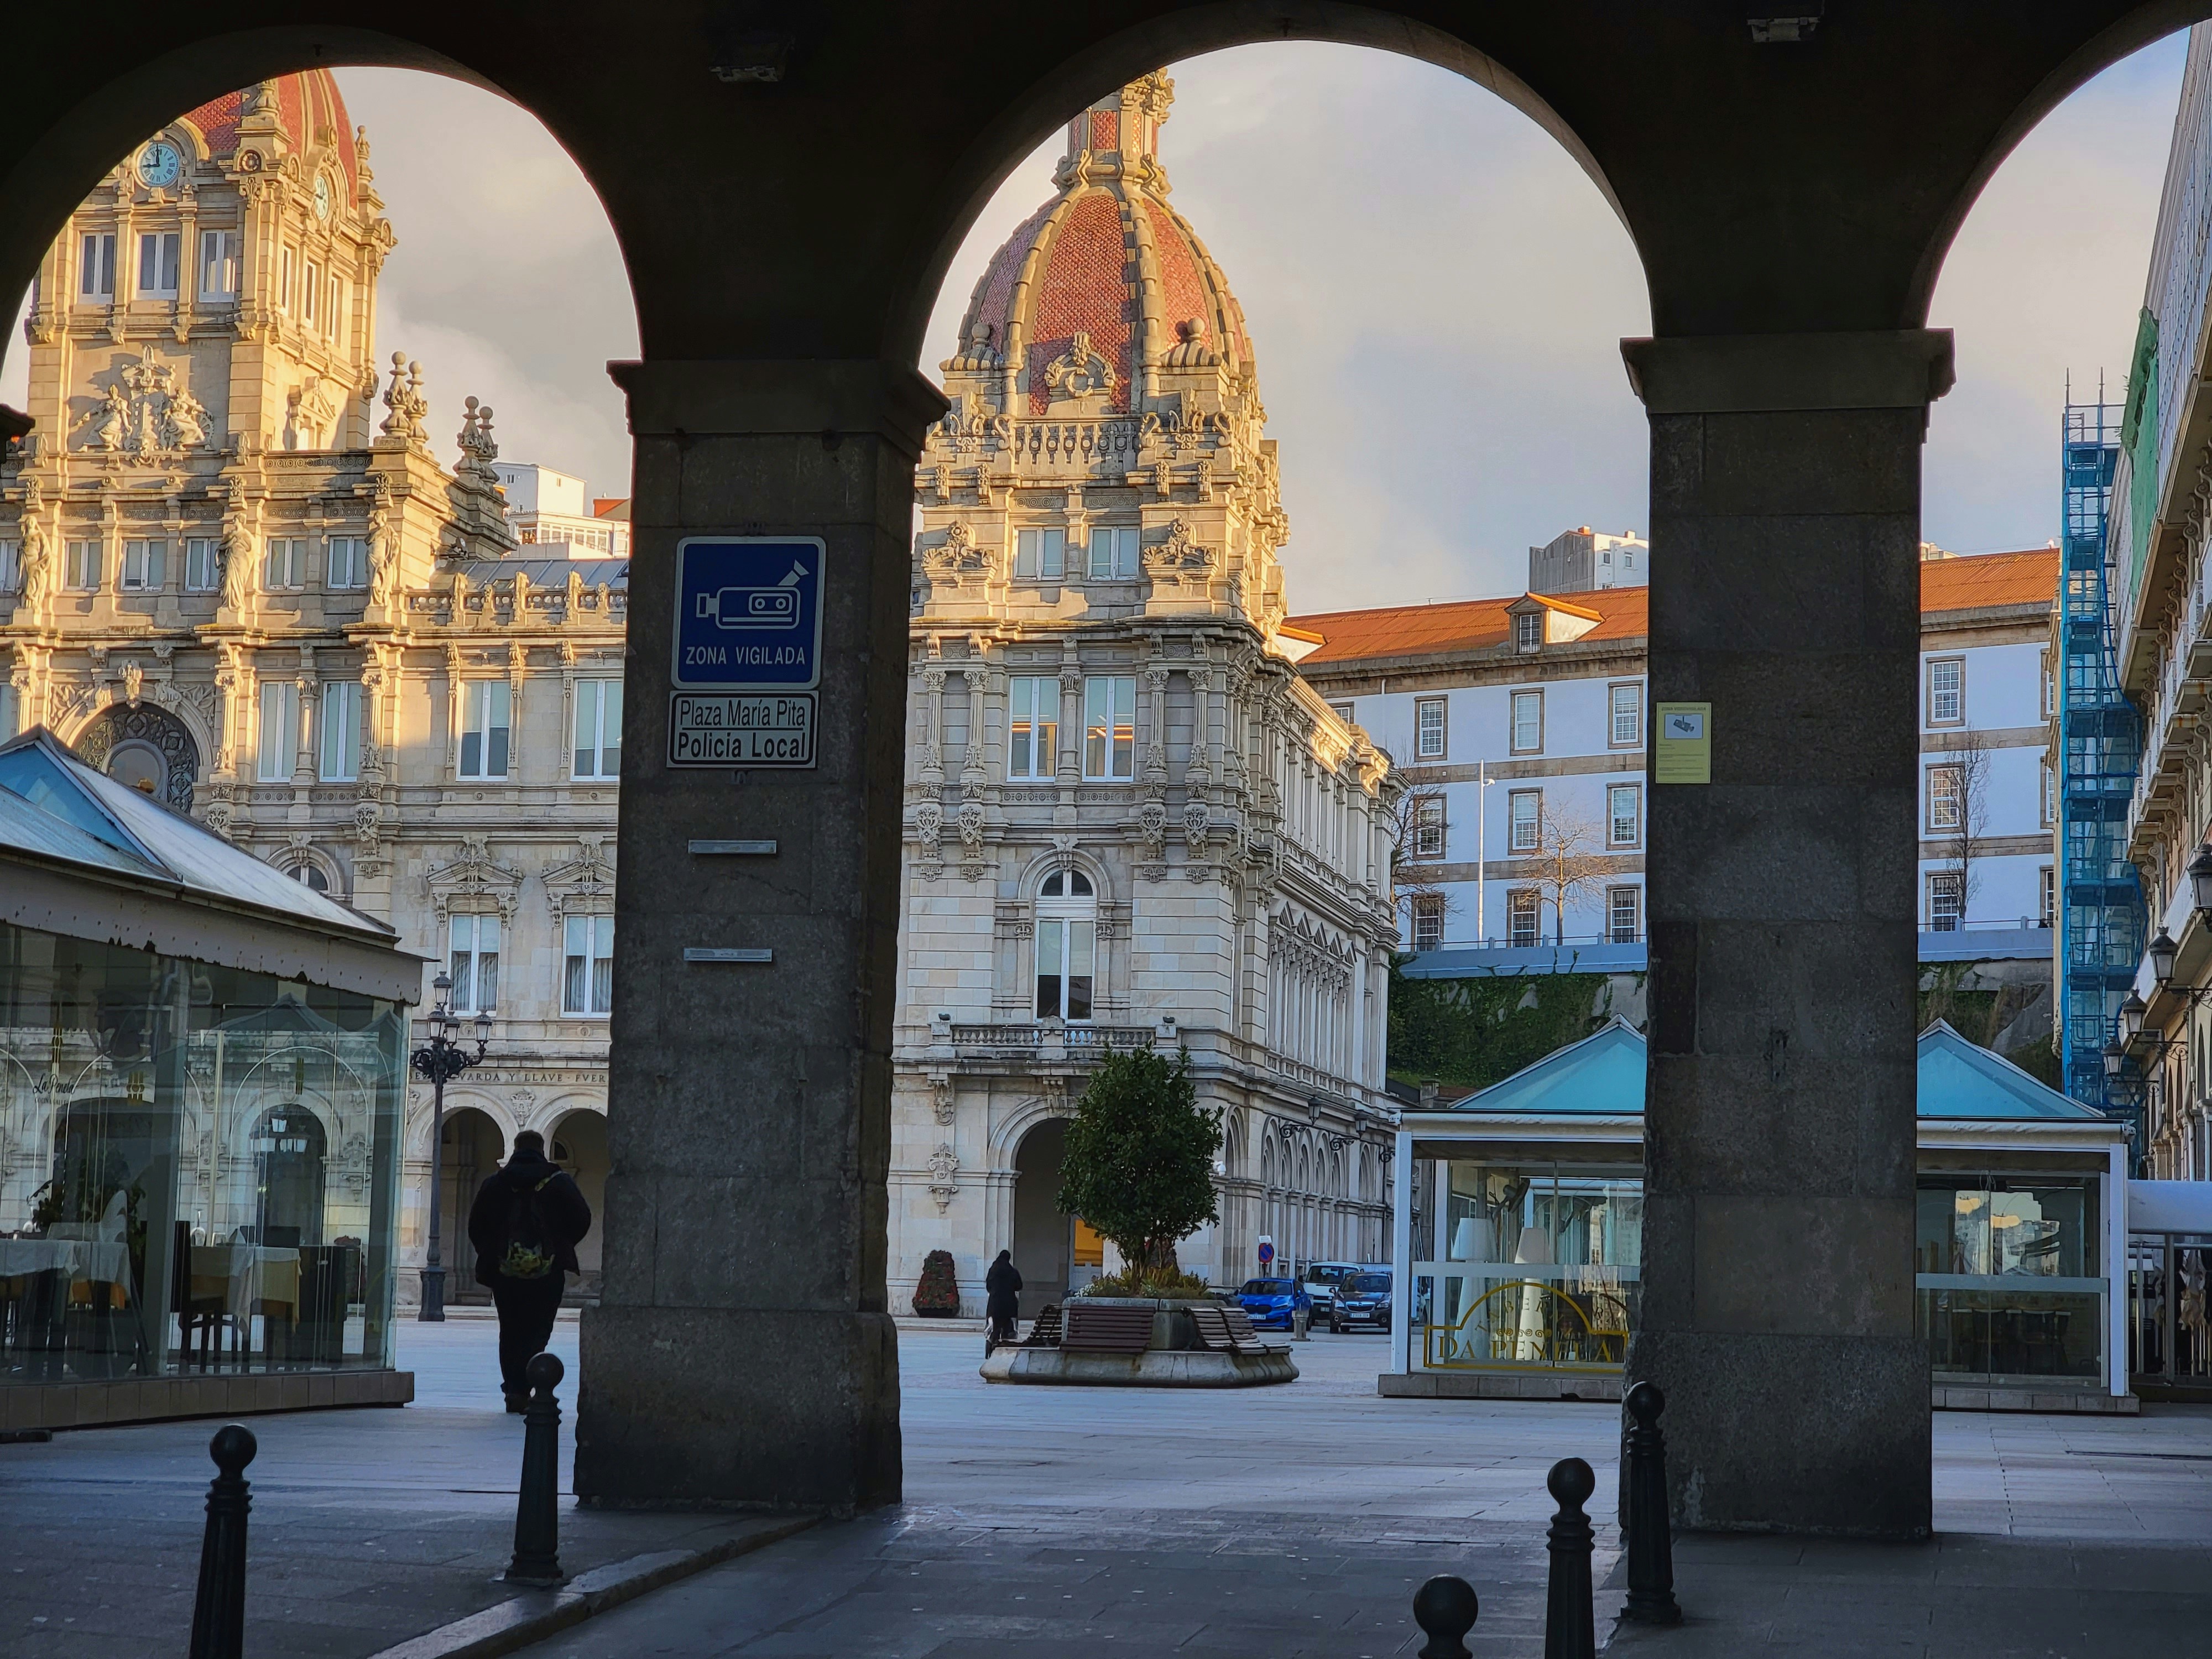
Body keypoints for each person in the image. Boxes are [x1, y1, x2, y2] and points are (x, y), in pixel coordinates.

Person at [466, 1129, 591, 1412]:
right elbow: (583, 1218)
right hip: (547, 1273)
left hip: (505, 1273)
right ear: (542, 1149)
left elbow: (476, 1226)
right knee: (539, 1329)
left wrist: (496, 1253)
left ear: (515, 1148)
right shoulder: (560, 1183)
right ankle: (527, 1383)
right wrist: (559, 1246)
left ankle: (514, 1389)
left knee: (510, 1331)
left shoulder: (494, 1184)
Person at [984, 1249, 1022, 1349]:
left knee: (995, 1326)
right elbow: (1019, 1286)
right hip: (1009, 1305)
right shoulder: (1012, 1271)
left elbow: (988, 1286)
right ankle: (1004, 1345)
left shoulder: (992, 1270)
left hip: (994, 1304)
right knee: (1007, 1327)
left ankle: (992, 1341)